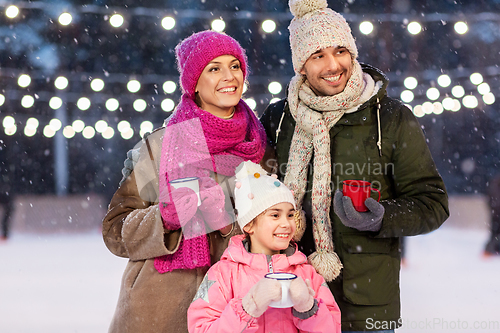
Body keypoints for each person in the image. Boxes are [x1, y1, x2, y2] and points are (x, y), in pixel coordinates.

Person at [259, 0, 450, 331]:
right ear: (301, 66)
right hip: (290, 295)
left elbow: (432, 203)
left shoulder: (390, 118)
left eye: (341, 51)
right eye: (318, 56)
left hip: (364, 306)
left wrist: (382, 217)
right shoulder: (280, 119)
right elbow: (258, 197)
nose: (334, 65)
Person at [102, 30, 272, 333]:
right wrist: (164, 219)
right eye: (214, 68)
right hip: (155, 312)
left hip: (235, 311)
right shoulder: (158, 147)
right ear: (193, 83)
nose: (228, 76)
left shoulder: (260, 149)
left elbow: (281, 225)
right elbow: (116, 231)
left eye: (235, 66)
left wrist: (227, 223)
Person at [187, 160, 341, 333]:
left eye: (290, 215)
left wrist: (308, 308)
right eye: (275, 215)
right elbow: (201, 329)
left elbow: (333, 328)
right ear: (249, 225)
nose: (286, 223)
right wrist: (247, 308)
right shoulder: (223, 275)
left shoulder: (307, 274)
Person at [484, 174, 500, 256]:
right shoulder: (495, 183)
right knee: (495, 234)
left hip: (496, 213)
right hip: (497, 214)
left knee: (495, 234)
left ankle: (490, 251)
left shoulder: (495, 183)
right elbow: (494, 201)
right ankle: (488, 252)